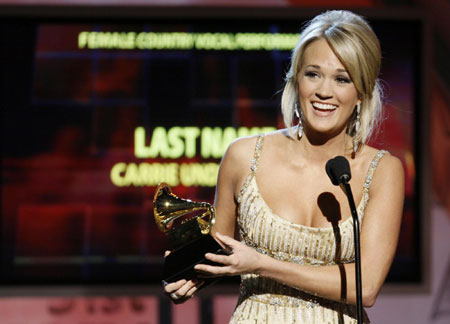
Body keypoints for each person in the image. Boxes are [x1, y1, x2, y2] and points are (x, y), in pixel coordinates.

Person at [164, 10, 404, 323]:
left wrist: (261, 264)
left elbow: (367, 287)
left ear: (361, 92)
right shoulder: (243, 156)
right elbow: (220, 253)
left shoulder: (384, 171)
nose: (324, 92)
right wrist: (186, 275)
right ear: (295, 79)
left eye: (341, 79)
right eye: (313, 74)